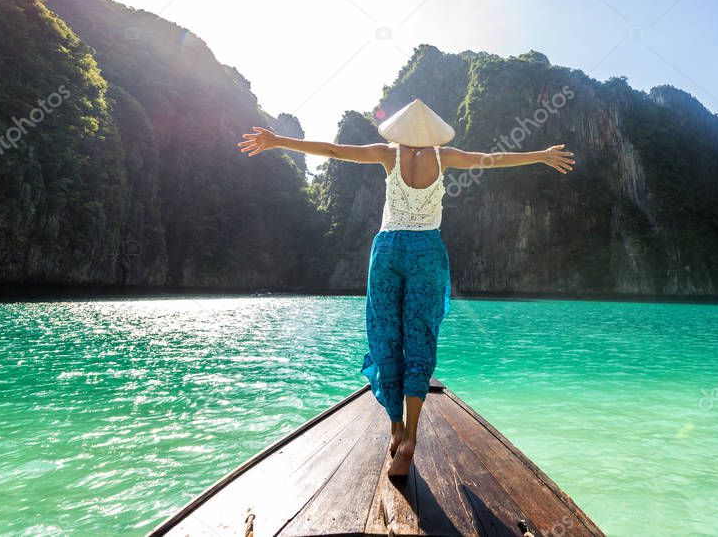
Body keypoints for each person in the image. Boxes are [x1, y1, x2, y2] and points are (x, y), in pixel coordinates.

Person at [238, 98, 574, 477]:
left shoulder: (387, 154)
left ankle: (394, 427)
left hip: (388, 250)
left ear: (399, 129)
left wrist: (278, 141)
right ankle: (410, 436)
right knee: (420, 336)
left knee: (385, 334)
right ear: (432, 131)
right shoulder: (445, 157)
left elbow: (332, 150)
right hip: (427, 251)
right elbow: (492, 159)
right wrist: (542, 155)